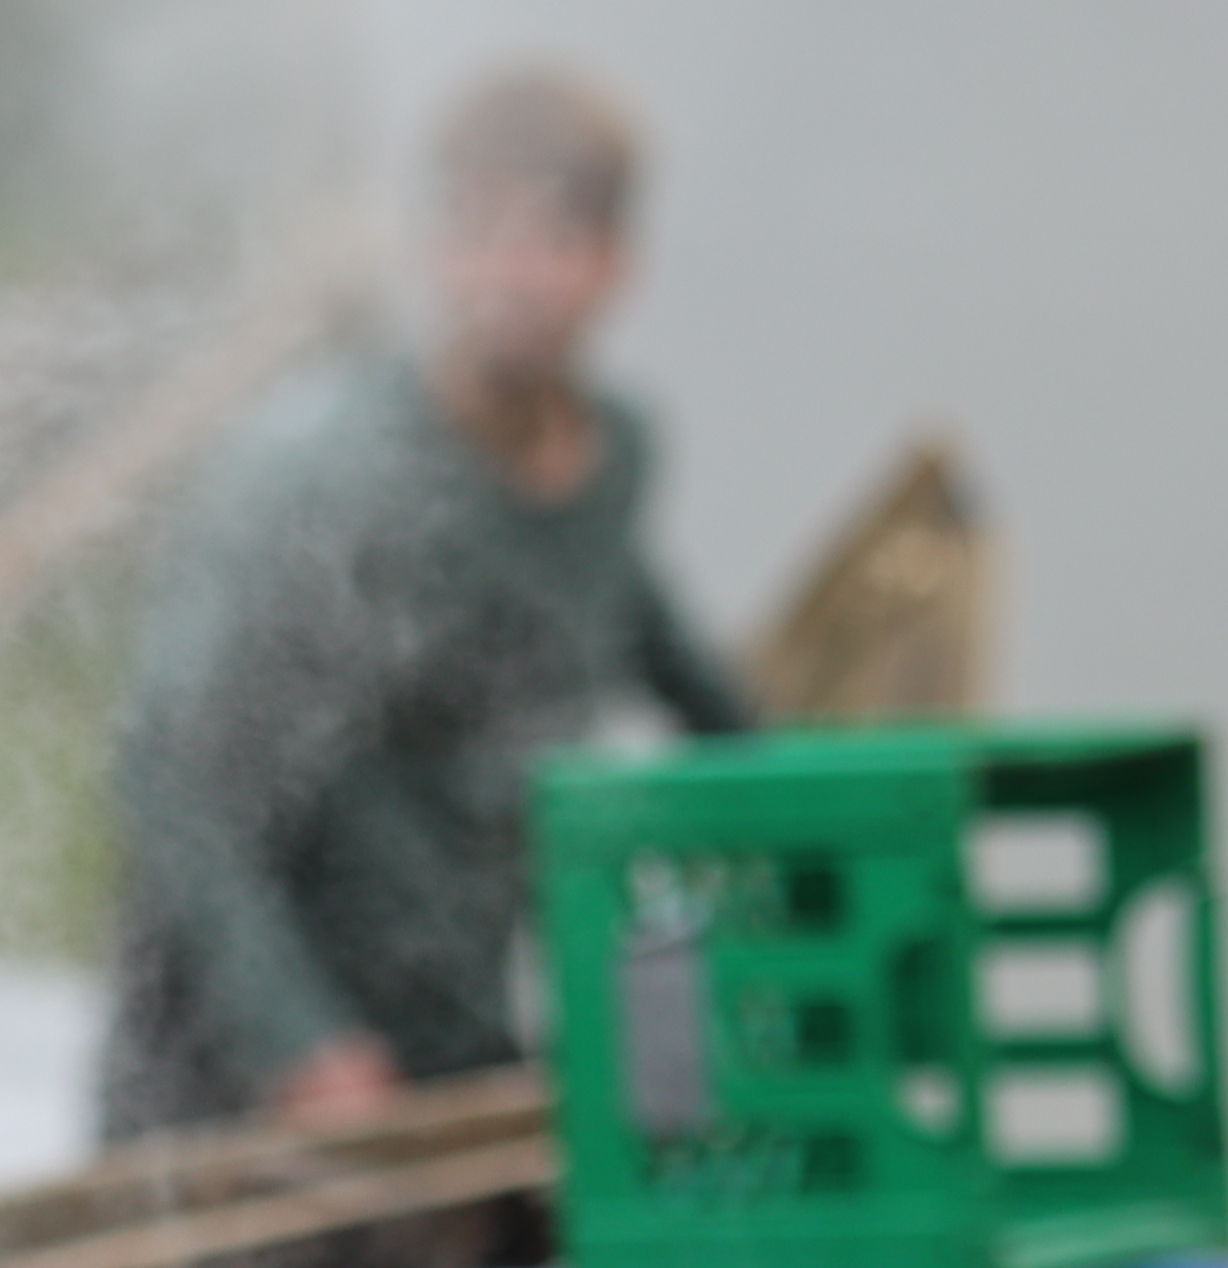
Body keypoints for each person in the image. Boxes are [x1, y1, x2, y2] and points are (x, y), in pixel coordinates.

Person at [98, 66, 756, 1144]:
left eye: (552, 238)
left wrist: (805, 799)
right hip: (242, 1081)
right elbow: (167, 770)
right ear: (436, 251)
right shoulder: (335, 482)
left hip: (452, 1044)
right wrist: (299, 1043)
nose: (513, 275)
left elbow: (649, 637)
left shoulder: (610, 462)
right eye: (482, 232)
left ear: (615, 263)